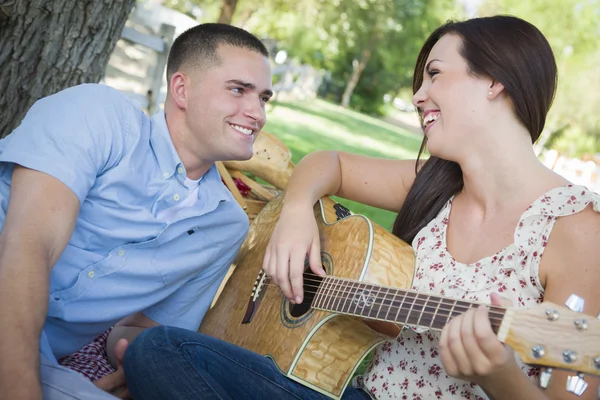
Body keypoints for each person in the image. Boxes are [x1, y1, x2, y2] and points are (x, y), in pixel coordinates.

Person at [122, 15, 600, 400]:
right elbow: (327, 162)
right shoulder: (436, 184)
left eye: (434, 74)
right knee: (158, 350)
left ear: (495, 81)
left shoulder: (578, 228)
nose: (418, 95)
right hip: (356, 391)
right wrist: (295, 214)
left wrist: (501, 380)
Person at [0, 23, 272, 400]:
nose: (256, 113)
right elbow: (25, 245)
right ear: (182, 89)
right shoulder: (99, 115)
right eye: (239, 90)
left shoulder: (224, 226)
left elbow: (145, 330)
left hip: (43, 360)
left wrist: (134, 359)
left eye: (264, 98)